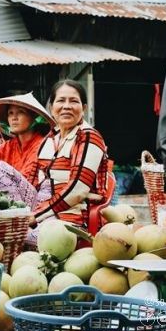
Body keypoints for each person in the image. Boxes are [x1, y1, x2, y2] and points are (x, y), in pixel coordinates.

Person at [26, 79, 110, 246]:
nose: (66, 106)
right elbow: (32, 179)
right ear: (51, 108)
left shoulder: (87, 136)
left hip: (69, 218)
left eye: (74, 101)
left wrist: (35, 216)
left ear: (84, 108)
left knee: (14, 236)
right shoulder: (49, 139)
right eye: (61, 101)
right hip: (39, 211)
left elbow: (77, 190)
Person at [0, 91, 55, 209]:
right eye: (10, 113)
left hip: (37, 205)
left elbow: (26, 179)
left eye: (21, 112)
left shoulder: (42, 144)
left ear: (33, 117)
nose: (14, 118)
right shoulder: (8, 146)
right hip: (10, 202)